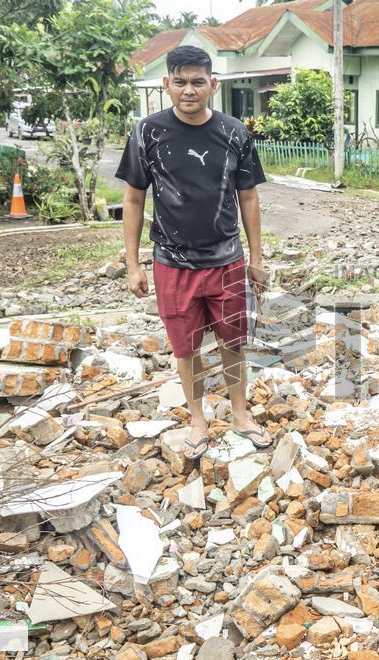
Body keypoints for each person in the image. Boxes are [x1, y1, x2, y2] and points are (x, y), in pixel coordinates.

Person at [116, 45, 271, 464]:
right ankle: (198, 420)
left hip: (226, 260)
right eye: (180, 82)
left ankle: (240, 414)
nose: (189, 90)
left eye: (198, 81)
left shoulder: (234, 132)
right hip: (172, 263)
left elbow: (249, 197)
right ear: (166, 84)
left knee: (234, 341)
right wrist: (133, 265)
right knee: (185, 347)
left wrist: (256, 257)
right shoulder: (147, 133)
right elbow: (133, 200)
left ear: (213, 85)